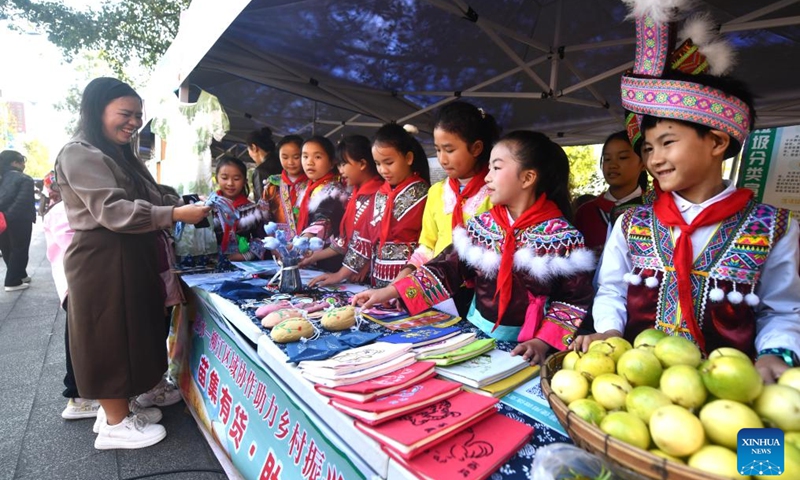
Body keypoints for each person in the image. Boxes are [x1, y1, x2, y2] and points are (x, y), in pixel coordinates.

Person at [574, 1, 800, 384]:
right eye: (647, 148)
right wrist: (610, 331)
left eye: (667, 142)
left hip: (730, 389)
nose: (655, 158)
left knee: (762, 447)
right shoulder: (632, 223)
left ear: (715, 141)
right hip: (637, 384)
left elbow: (782, 310)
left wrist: (774, 355)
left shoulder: (772, 227)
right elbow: (611, 289)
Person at [55, 77, 210, 450]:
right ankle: (114, 424)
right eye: (125, 114)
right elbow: (112, 209)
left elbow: (150, 194)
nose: (133, 123)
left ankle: (123, 407)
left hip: (129, 252)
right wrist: (174, 212)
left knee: (131, 331)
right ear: (97, 110)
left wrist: (180, 201)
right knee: (109, 337)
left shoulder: (118, 153)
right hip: (103, 256)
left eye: (138, 116)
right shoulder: (79, 152)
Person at [352, 131, 596, 365]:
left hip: (528, 348)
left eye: (496, 168)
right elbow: (446, 268)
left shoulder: (563, 237)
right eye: (489, 167)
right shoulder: (481, 226)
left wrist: (543, 342)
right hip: (475, 335)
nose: (487, 176)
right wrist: (391, 291)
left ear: (527, 178)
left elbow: (574, 299)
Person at [396, 101, 499, 314]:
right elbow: (427, 246)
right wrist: (404, 276)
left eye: (450, 150)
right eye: (437, 150)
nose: (442, 159)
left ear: (477, 148)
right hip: (436, 289)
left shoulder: (494, 194)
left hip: (482, 297)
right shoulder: (436, 193)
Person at [311, 125, 429, 287]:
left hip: (408, 281)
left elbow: (426, 246)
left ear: (408, 158)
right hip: (378, 280)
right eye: (378, 164)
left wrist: (397, 288)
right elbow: (365, 239)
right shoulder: (382, 193)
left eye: (388, 162)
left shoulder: (422, 193)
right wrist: (339, 275)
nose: (382, 170)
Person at [307, 135, 383, 284]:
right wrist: (313, 257)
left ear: (362, 163)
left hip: (371, 274)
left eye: (343, 164)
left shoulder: (378, 194)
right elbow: (346, 241)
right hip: (355, 271)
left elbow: (372, 241)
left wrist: (365, 265)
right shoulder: (354, 195)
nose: (340, 170)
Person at [574, 131, 646, 252]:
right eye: (607, 159)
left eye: (622, 157)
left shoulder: (655, 207)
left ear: (643, 163)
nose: (612, 165)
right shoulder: (585, 212)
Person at [292, 135, 349, 271]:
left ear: (331, 162)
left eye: (317, 157)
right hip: (311, 257)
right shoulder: (306, 189)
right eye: (305, 156)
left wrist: (302, 240)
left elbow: (323, 221)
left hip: (329, 261)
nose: (309, 162)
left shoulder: (333, 190)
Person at [210, 155, 268, 261]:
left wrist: (245, 256)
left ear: (245, 181)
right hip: (213, 263)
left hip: (244, 264)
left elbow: (261, 238)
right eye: (224, 178)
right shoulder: (208, 209)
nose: (230, 183)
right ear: (216, 179)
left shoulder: (253, 210)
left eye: (236, 178)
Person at [0, 150, 36, 292]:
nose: (24, 165)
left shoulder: (2, 177)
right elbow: (22, 202)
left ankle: (20, 274)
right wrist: (9, 217)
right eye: (22, 161)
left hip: (1, 220)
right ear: (15, 162)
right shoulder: (24, 179)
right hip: (19, 220)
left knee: (7, 248)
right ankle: (12, 281)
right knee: (19, 249)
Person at [263, 135, 307, 237]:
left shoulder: (312, 184)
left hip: (308, 244)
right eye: (285, 157)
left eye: (296, 157)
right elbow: (265, 219)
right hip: (280, 245)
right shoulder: (272, 184)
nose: (290, 162)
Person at [247, 127, 281, 201]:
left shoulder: (261, 171)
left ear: (254, 147)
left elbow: (261, 202)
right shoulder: (283, 162)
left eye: (248, 150)